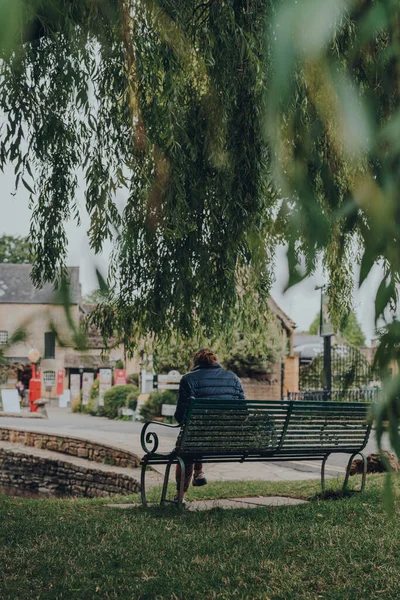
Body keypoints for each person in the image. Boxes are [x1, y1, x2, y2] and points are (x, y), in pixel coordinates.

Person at [174, 348, 246, 502]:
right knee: (198, 433)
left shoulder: (188, 379)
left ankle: (181, 496)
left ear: (196, 363)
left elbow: (180, 415)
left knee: (189, 443)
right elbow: (243, 412)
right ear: (215, 361)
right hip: (229, 439)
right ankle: (199, 474)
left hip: (198, 439)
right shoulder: (233, 378)